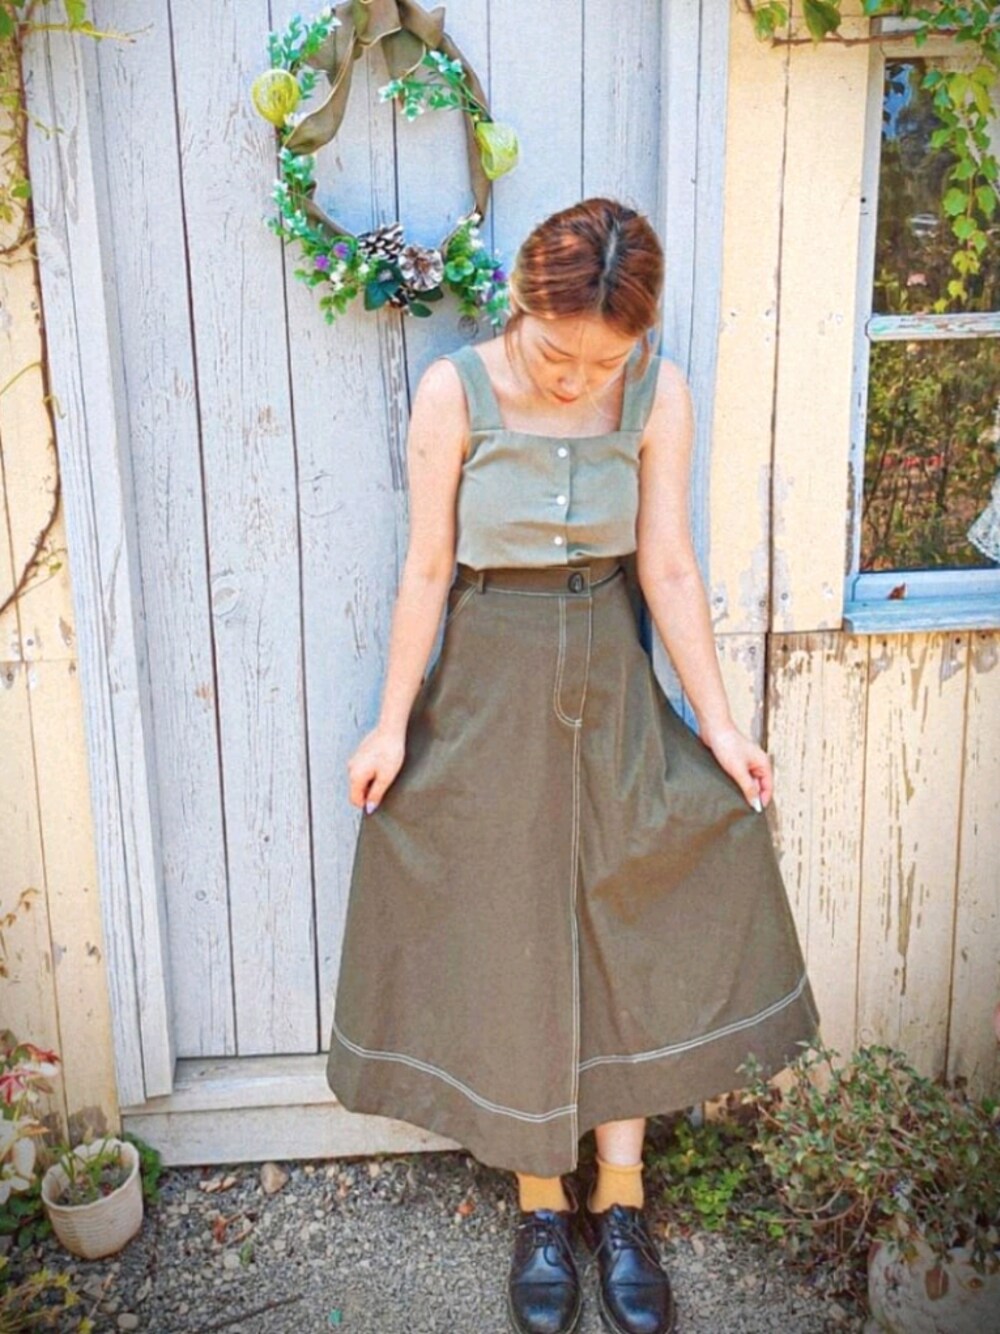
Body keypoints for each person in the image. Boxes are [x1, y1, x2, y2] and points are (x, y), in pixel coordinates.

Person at [326, 197, 820, 1334]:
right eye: (559, 354)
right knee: (510, 923)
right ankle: (542, 1201)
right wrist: (390, 725)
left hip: (611, 672)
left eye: (606, 360)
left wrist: (720, 726)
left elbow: (669, 567)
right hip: (488, 674)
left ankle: (623, 1196)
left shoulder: (659, 391)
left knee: (628, 911)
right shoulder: (452, 391)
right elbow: (425, 568)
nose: (578, 379)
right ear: (519, 302)